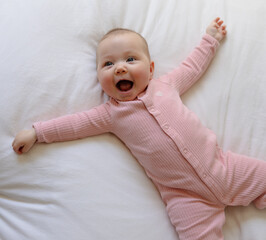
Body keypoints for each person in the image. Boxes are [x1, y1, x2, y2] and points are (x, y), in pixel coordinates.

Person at [12, 17, 266, 240]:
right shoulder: (111, 115)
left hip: (223, 167)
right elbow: (74, 124)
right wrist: (38, 133)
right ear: (99, 79)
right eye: (108, 64)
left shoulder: (166, 86)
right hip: (186, 197)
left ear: (151, 69)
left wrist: (210, 41)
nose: (120, 67)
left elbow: (192, 67)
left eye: (131, 59)